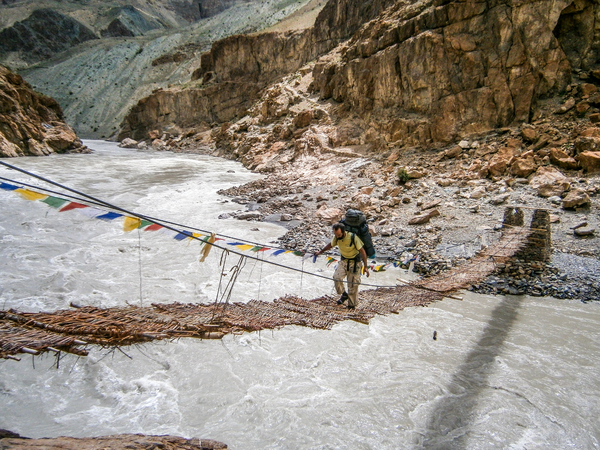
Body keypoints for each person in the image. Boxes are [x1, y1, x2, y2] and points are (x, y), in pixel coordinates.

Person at [314, 222, 370, 309]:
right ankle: (344, 294)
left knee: (353, 285)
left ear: (344, 232)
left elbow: (362, 251)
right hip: (344, 261)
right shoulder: (336, 238)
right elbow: (330, 245)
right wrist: (320, 252)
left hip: (355, 263)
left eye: (339, 234)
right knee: (337, 277)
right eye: (336, 235)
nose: (337, 236)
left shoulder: (352, 237)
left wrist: (365, 267)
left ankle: (351, 306)